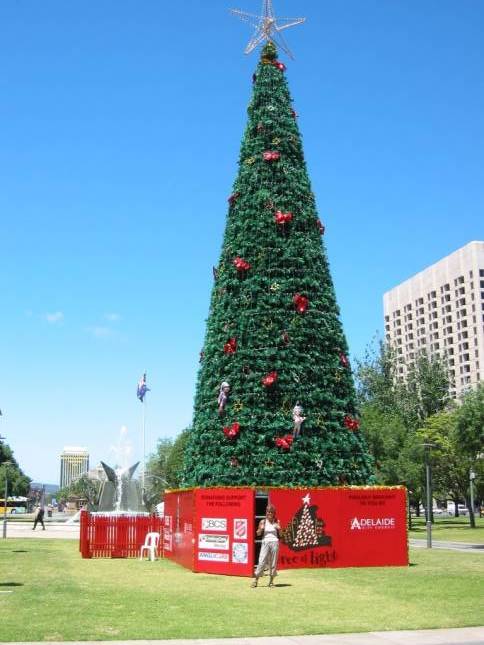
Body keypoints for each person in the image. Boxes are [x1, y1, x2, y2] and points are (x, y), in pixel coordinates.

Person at [252, 504, 280, 588]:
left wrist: (279, 528)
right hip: (265, 542)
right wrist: (261, 528)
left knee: (273, 563)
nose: (270, 513)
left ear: (274, 513)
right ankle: (255, 580)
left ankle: (271, 582)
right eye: (268, 512)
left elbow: (281, 535)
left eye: (271, 512)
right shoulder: (262, 521)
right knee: (261, 561)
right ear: (266, 512)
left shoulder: (277, 521)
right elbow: (258, 534)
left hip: (275, 542)